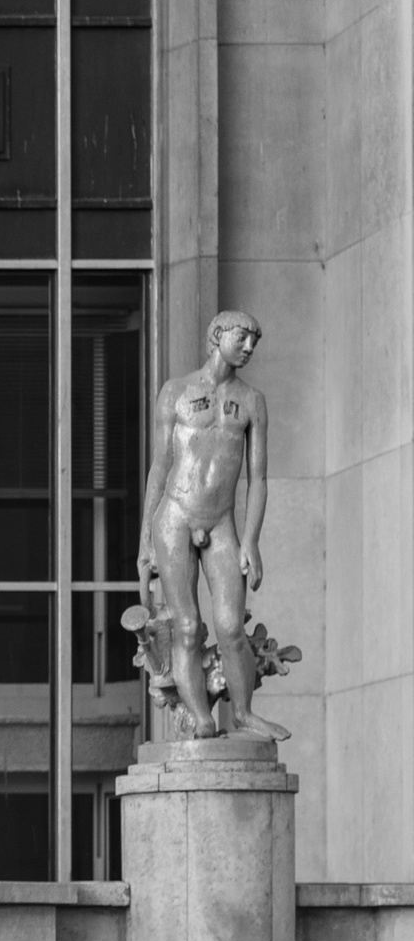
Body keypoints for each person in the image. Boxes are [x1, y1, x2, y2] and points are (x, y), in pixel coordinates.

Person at [136, 309, 285, 740]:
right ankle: (202, 719)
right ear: (217, 335)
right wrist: (147, 540)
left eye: (254, 341)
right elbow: (159, 471)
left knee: (231, 626)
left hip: (220, 522)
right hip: (176, 518)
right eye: (242, 337)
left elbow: (258, 477)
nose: (249, 348)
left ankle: (243, 712)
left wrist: (251, 540)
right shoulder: (175, 392)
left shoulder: (253, 401)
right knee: (186, 626)